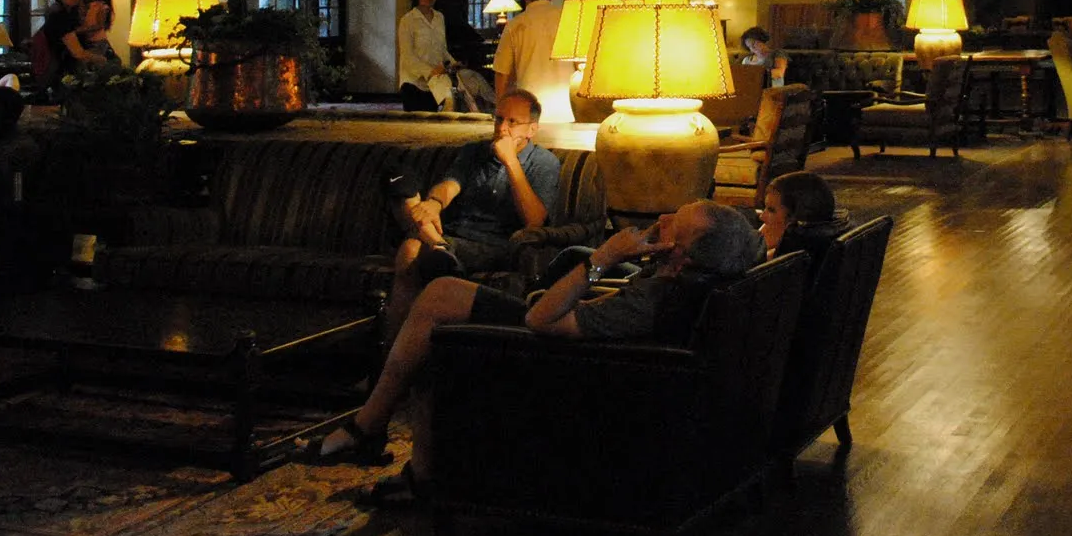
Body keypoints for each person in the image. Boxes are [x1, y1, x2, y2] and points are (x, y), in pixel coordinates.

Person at [312, 199, 763, 504]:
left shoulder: (659, 297)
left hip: (561, 368)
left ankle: (380, 437)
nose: (660, 220)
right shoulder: (680, 283)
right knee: (442, 300)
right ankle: (383, 437)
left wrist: (604, 255)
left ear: (680, 254)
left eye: (671, 225)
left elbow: (540, 321)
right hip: (584, 351)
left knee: (438, 307)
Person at [381, 89, 559, 334]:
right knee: (409, 249)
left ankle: (439, 252)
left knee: (420, 243)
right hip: (456, 236)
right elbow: (451, 184)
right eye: (498, 119)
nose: (502, 128)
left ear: (531, 130)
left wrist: (510, 162)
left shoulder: (544, 163)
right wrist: (433, 203)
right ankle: (392, 347)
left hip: (498, 245)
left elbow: (535, 220)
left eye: (512, 122)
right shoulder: (474, 151)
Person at [492, 0, 575, 124]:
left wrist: (501, 109)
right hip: (567, 106)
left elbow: (501, 72)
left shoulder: (516, 25)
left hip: (528, 108)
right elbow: (581, 65)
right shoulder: (569, 20)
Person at [397, 0, 484, 112]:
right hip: (414, 82)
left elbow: (442, 49)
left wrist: (453, 64)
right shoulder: (407, 21)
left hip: (436, 82)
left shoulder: (439, 17)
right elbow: (408, 56)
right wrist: (430, 71)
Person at [761, 170, 848, 262]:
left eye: (771, 210)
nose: (762, 216)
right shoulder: (828, 236)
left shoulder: (794, 249)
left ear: (796, 217)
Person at [38, 0, 97, 83]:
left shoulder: (72, 13)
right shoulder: (58, 16)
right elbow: (78, 53)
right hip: (60, 74)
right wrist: (101, 59)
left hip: (67, 70)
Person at [78, 0, 119, 65]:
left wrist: (82, 30)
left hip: (98, 42)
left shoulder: (101, 7)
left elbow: (99, 25)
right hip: (85, 40)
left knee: (93, 61)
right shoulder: (80, 4)